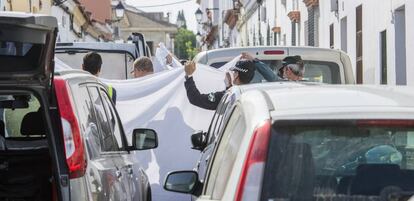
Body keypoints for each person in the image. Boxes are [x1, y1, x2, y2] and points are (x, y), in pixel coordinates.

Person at [184, 60, 256, 110]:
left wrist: (189, 76)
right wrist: (229, 86)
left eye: (234, 72)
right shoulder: (254, 95)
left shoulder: (227, 96)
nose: (233, 74)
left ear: (237, 74)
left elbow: (196, 99)